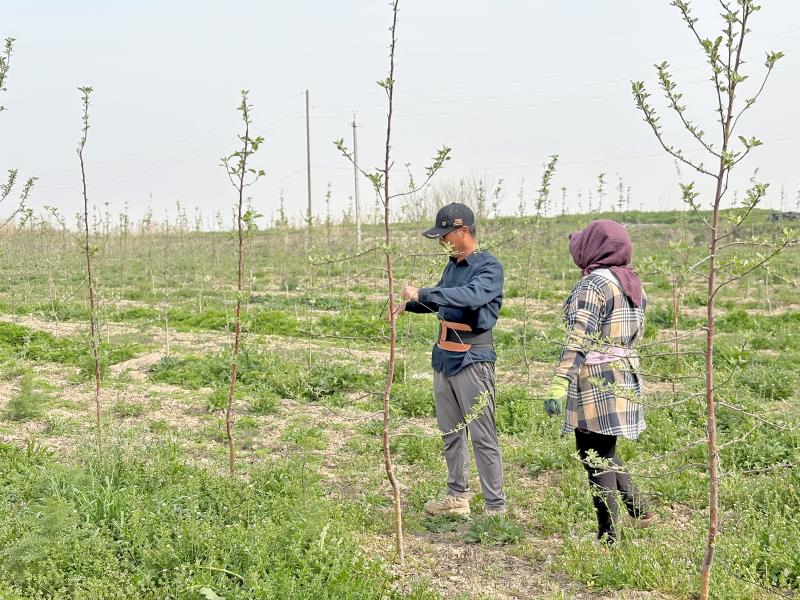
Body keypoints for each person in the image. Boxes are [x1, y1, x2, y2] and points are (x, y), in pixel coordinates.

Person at [543, 219, 655, 544]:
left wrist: (560, 381)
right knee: (604, 447)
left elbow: (579, 336)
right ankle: (640, 509)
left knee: (595, 456)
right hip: (623, 374)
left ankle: (609, 538)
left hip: (597, 379)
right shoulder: (632, 283)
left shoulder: (593, 285)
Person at [394, 202, 506, 516]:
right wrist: (412, 305)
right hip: (444, 358)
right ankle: (457, 498)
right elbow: (442, 299)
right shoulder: (452, 265)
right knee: (450, 432)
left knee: (483, 435)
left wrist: (424, 293)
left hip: (473, 359)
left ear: (463, 231)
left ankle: (495, 508)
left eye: (446, 235)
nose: (442, 242)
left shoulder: (488, 267)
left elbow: (470, 297)